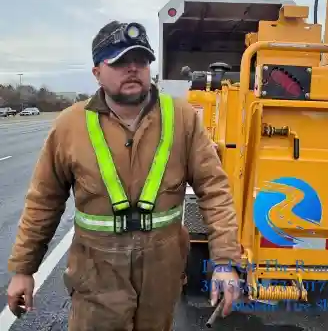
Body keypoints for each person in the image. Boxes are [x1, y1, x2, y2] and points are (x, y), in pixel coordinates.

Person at [7, 20, 242, 330]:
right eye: (120, 61)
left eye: (141, 60)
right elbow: (43, 202)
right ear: (96, 72)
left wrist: (225, 261)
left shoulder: (182, 118)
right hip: (96, 275)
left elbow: (215, 191)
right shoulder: (70, 125)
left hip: (162, 273)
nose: (133, 68)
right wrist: (24, 269)